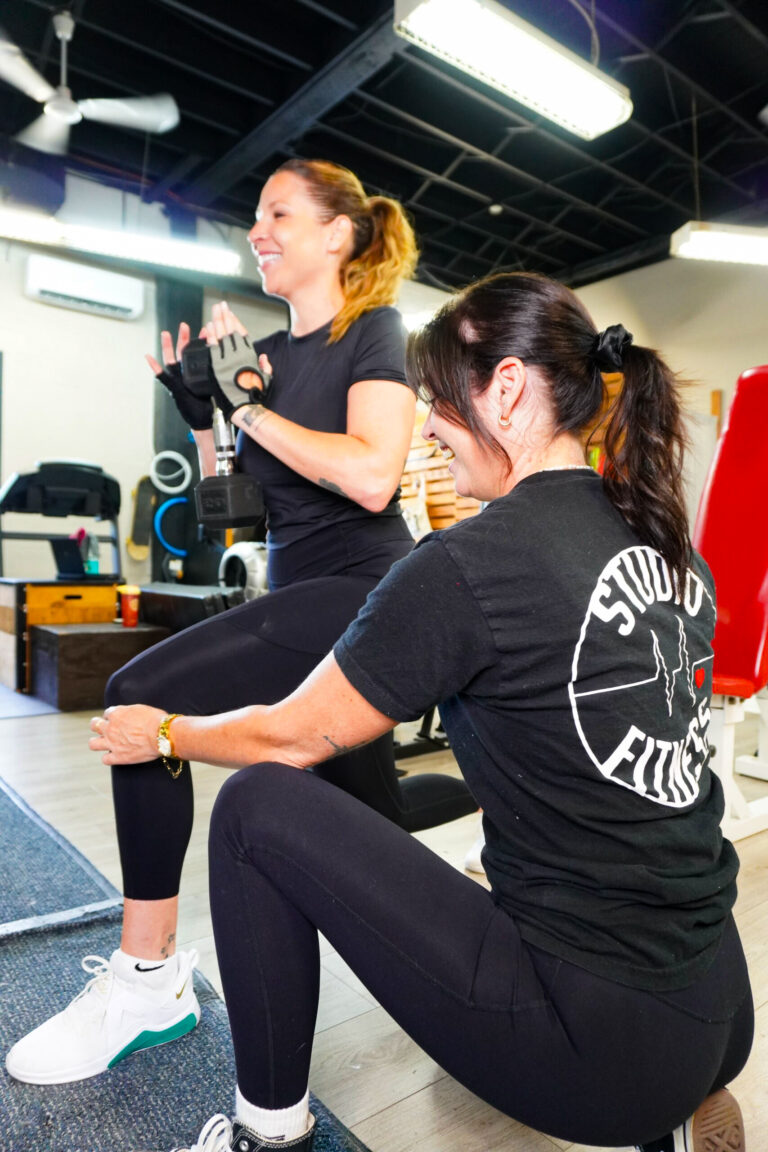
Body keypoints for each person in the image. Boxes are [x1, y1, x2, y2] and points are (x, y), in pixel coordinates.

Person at [80, 270, 753, 1152]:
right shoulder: (668, 545)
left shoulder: (473, 561)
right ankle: (671, 1102)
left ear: (505, 391)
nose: (428, 428)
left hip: (599, 1045)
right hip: (718, 1001)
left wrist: (164, 730)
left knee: (255, 809)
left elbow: (289, 735)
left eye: (437, 401)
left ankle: (265, 1134)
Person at [4, 158, 476, 1088]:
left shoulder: (371, 331)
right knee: (371, 814)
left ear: (339, 234)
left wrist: (248, 404)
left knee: (143, 695)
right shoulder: (266, 351)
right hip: (295, 592)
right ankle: (491, 841)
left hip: (362, 594)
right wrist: (204, 419)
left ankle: (150, 981)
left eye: (279, 214)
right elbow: (237, 511)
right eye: (254, 219)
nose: (257, 232)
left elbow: (373, 475)